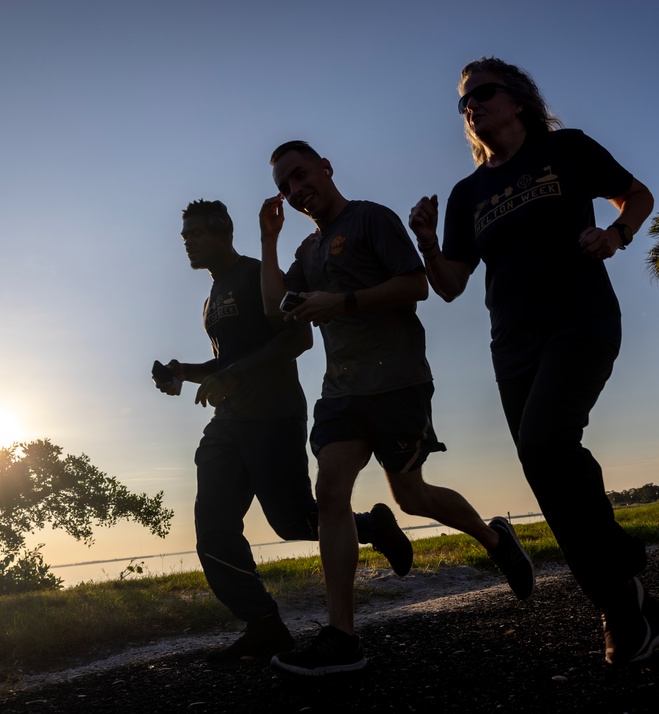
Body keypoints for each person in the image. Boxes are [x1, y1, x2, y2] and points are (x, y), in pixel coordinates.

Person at [408, 57, 659, 665]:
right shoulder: (467, 193)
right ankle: (631, 608)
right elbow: (449, 284)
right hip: (513, 343)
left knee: (546, 442)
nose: (471, 107)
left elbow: (636, 195)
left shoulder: (566, 150)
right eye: (463, 103)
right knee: (542, 462)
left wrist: (615, 235)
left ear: (518, 100)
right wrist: (427, 240)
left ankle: (621, 579)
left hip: (581, 320)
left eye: (483, 94)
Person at [259, 141, 535, 677]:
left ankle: (496, 538)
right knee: (331, 491)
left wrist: (340, 302)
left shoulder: (370, 220)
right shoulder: (306, 253)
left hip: (398, 384)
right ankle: (342, 637)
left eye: (299, 175)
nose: (295, 190)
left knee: (411, 496)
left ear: (325, 167)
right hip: (340, 391)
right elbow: (276, 312)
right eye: (284, 185)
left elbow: (415, 287)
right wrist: (269, 243)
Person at [153, 198, 413, 662]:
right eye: (184, 235)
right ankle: (264, 626)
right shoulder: (211, 298)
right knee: (213, 528)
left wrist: (230, 376)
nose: (187, 242)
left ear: (222, 232)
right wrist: (183, 372)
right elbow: (227, 364)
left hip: (273, 416)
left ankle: (372, 526)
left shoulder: (259, 277)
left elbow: (298, 337)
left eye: (196, 233)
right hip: (228, 422)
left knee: (293, 521)